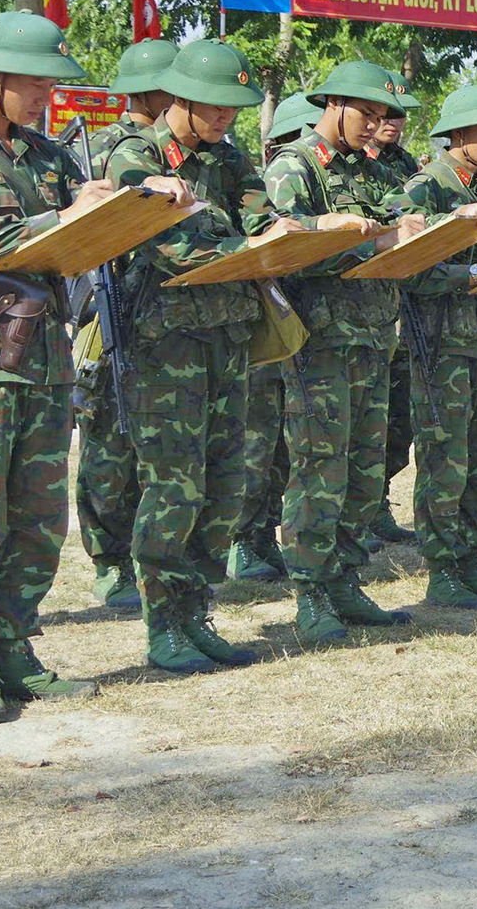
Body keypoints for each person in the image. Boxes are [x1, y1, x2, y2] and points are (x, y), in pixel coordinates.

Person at [0, 11, 192, 722]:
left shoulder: (47, 156)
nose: (45, 98)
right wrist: (59, 219)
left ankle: (13, 644)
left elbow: (83, 237)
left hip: (45, 359)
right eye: (35, 84)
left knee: (36, 520)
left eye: (50, 86)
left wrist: (135, 207)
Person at [105, 41, 299, 673]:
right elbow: (170, 248)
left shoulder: (230, 158)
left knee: (223, 482)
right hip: (165, 347)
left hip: (228, 337)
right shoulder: (137, 156)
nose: (224, 117)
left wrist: (288, 236)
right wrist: (249, 245)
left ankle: (197, 612)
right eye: (215, 106)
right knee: (173, 486)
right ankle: (163, 623)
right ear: (180, 97)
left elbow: (260, 222)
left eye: (233, 108)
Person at [264, 60, 425, 644]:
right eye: (367, 114)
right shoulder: (295, 166)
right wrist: (363, 240)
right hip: (320, 344)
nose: (375, 125)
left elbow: (394, 221)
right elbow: (283, 249)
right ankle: (310, 592)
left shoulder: (371, 169)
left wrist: (412, 227)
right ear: (333, 104)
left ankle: (346, 579)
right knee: (318, 469)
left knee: (364, 467)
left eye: (382, 116)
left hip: (374, 336)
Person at [389, 86, 477, 609]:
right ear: (456, 134)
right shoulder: (425, 188)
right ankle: (442, 568)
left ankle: (472, 559)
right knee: (444, 461)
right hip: (443, 346)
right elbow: (409, 270)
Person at [74, 38, 179, 613]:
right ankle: (109, 559)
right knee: (109, 440)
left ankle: (149, 554)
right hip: (109, 306)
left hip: (164, 316)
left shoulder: (183, 146)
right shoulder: (110, 147)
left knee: (157, 447)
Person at [227, 92, 318, 584]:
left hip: (296, 328)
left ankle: (265, 533)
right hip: (261, 327)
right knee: (256, 442)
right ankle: (243, 539)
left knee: (285, 446)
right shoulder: (265, 183)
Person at [366, 70, 422, 549]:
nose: (391, 122)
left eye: (399, 115)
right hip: (361, 308)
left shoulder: (405, 166)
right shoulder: (345, 163)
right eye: (382, 114)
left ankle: (378, 497)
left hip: (402, 307)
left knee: (397, 417)